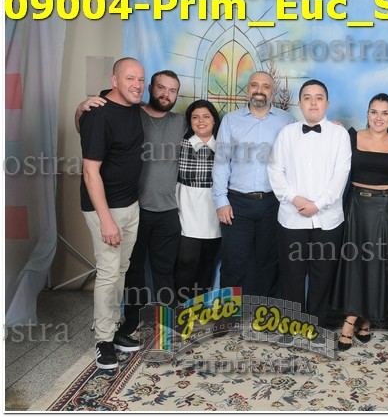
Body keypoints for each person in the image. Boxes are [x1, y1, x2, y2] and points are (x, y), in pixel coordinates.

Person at [76, 70, 186, 337]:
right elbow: (89, 128)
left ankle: (167, 315)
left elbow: (208, 128)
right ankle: (132, 318)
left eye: (172, 90)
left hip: (167, 209)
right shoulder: (131, 114)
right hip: (135, 207)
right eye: (161, 87)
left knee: (164, 268)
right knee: (131, 270)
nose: (166, 94)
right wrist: (80, 108)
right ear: (151, 88)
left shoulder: (182, 122)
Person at [268, 79, 351, 328]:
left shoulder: (340, 135)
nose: (313, 103)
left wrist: (318, 204)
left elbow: (341, 174)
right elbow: (275, 170)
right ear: (299, 103)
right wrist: (294, 198)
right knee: (291, 275)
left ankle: (316, 325)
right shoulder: (286, 134)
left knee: (322, 276)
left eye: (319, 97)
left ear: (327, 103)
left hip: (328, 219)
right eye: (307, 97)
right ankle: (293, 323)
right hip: (291, 218)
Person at [79, 57, 144, 369]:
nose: (137, 85)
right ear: (114, 80)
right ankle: (103, 341)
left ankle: (114, 329)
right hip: (105, 208)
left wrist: (78, 109)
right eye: (130, 78)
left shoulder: (132, 109)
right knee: (108, 272)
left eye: (140, 79)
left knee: (121, 269)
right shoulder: (98, 113)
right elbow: (90, 171)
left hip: (130, 205)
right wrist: (106, 219)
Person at [212, 71, 295, 297]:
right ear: (247, 89)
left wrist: (332, 128)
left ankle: (263, 311)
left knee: (268, 262)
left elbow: (301, 153)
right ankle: (230, 312)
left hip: (272, 204)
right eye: (254, 85)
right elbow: (221, 162)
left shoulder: (287, 121)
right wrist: (221, 200)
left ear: (273, 91)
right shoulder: (231, 120)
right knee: (233, 261)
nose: (259, 90)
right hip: (236, 204)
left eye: (266, 86)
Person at [331, 93, 388, 351]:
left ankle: (357, 320)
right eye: (374, 111)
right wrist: (332, 131)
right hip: (355, 206)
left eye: (384, 113)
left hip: (384, 208)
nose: (378, 117)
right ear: (367, 114)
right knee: (354, 264)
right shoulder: (350, 137)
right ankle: (356, 318)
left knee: (375, 264)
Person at [175, 100, 222, 304]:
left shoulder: (223, 147)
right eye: (195, 117)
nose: (200, 121)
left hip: (213, 213)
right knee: (186, 262)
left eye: (206, 116)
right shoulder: (180, 145)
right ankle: (181, 307)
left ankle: (201, 307)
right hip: (187, 211)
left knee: (207, 264)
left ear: (214, 120)